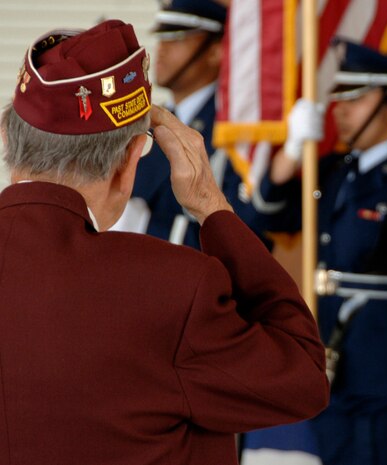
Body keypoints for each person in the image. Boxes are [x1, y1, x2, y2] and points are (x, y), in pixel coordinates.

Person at [0, 19, 328, 464]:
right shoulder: (172, 287)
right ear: (132, 159)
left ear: (8, 138)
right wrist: (213, 207)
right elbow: (302, 378)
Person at [252, 38, 387, 465]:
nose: (342, 109)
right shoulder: (331, 172)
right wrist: (292, 154)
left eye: (356, 98)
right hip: (333, 372)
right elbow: (265, 217)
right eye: (339, 98)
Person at [117, 0, 265, 248]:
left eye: (177, 38)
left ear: (215, 52)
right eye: (162, 37)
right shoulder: (144, 124)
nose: (161, 49)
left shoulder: (232, 130)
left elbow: (246, 222)